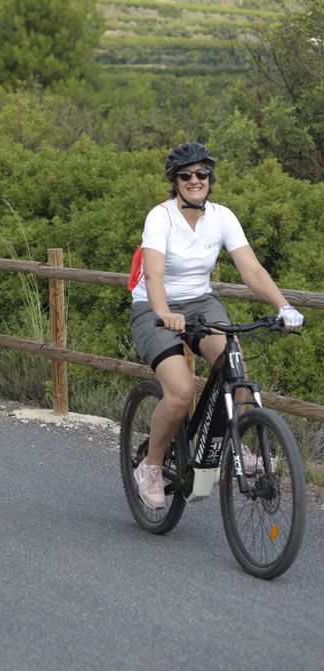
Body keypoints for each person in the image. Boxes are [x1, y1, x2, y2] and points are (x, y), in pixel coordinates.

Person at [129, 142, 304, 509]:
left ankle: (232, 436)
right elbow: (155, 274)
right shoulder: (160, 217)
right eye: (186, 175)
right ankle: (152, 465)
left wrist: (283, 306)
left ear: (210, 178)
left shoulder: (222, 217)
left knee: (234, 362)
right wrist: (164, 313)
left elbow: (252, 270)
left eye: (202, 174)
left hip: (200, 302)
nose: (195, 180)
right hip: (154, 305)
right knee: (178, 392)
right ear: (175, 181)